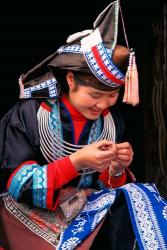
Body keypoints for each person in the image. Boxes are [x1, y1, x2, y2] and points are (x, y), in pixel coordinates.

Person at [0, 1, 166, 250]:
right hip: (30, 214)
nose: (103, 104)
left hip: (85, 211)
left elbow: (105, 188)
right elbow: (18, 185)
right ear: (70, 80)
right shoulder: (29, 113)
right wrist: (76, 161)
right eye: (95, 95)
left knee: (139, 197)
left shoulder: (111, 122)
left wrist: (117, 169)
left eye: (112, 95)